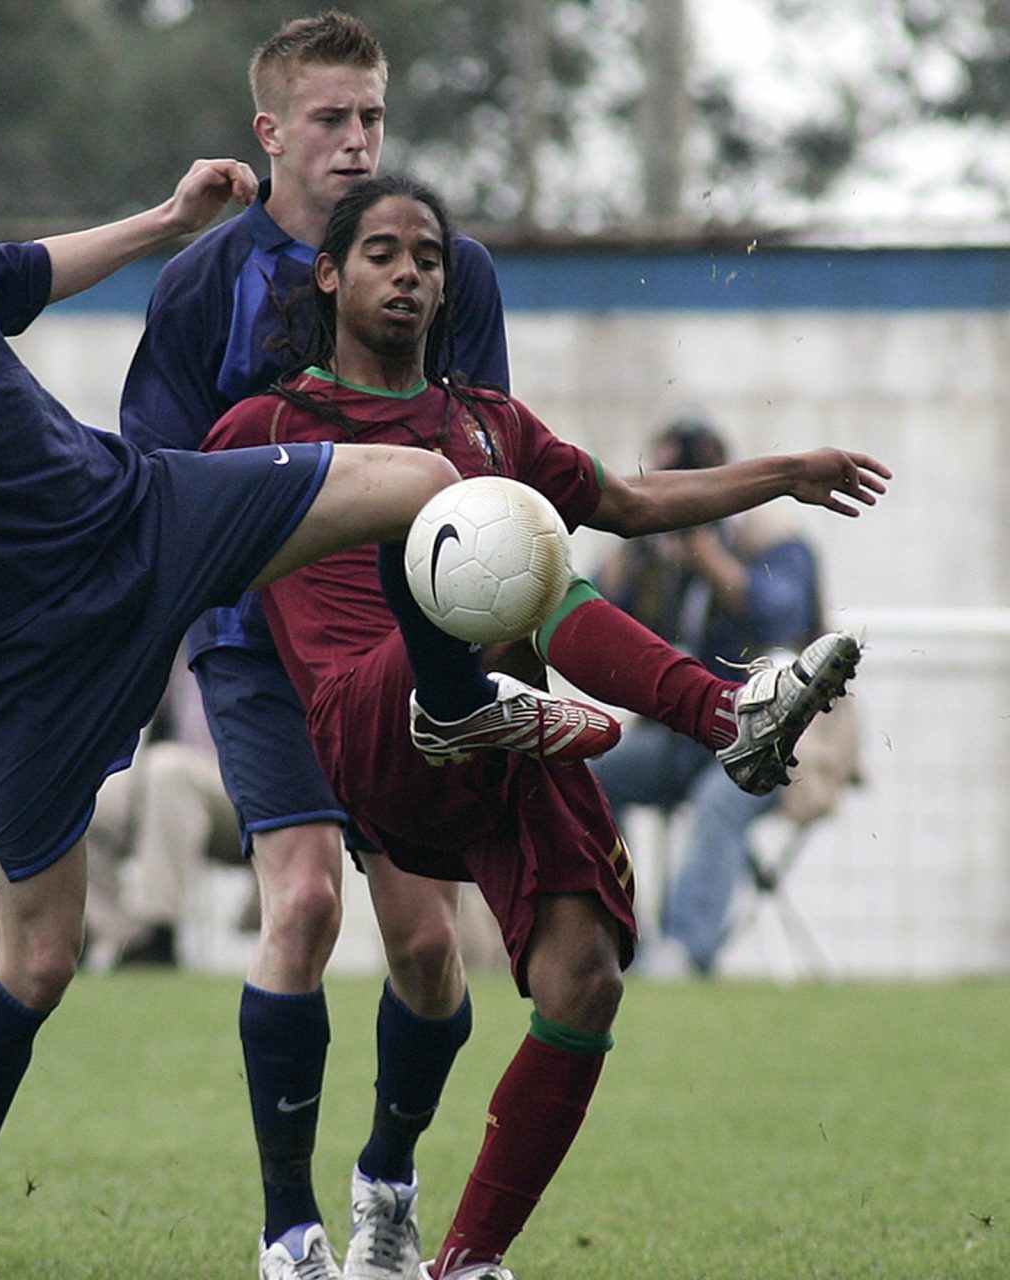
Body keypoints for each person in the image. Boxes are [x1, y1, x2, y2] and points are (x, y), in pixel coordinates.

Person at [0, 5, 614, 1277]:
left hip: (132, 512)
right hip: (22, 650)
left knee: (427, 477)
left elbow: (17, 278)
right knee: (38, 954)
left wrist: (166, 224)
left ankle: (458, 700)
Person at [202, 173, 885, 1280]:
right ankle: (720, 710)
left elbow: (633, 499)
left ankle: (464, 1257)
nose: (410, 272)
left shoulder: (485, 420)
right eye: (381, 252)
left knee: (585, 976)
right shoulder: (265, 425)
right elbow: (183, 544)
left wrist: (788, 472)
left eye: (428, 255)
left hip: (505, 732)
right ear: (329, 274)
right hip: (372, 723)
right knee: (476, 529)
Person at [117, 16, 507, 1276]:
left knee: (433, 950)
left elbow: (482, 461)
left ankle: (387, 1175)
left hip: (405, 646)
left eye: (372, 118)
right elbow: (156, 486)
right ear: (269, 134)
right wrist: (133, 657)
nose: (356, 142)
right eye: (331, 120)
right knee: (299, 900)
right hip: (252, 643)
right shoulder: (197, 286)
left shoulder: (455, 271)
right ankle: (291, 1227)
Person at [589, 417, 851, 977]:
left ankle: (685, 953)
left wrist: (712, 559)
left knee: (718, 801)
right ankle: (615, 939)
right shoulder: (655, 553)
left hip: (784, 744)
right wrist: (631, 566)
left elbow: (785, 617)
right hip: (687, 736)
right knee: (589, 775)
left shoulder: (771, 538)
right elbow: (604, 617)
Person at [83, 657, 245, 968]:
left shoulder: (249, 624)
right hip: (175, 787)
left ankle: (158, 934)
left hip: (249, 789)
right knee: (86, 809)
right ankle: (122, 941)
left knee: (168, 771)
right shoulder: (172, 644)